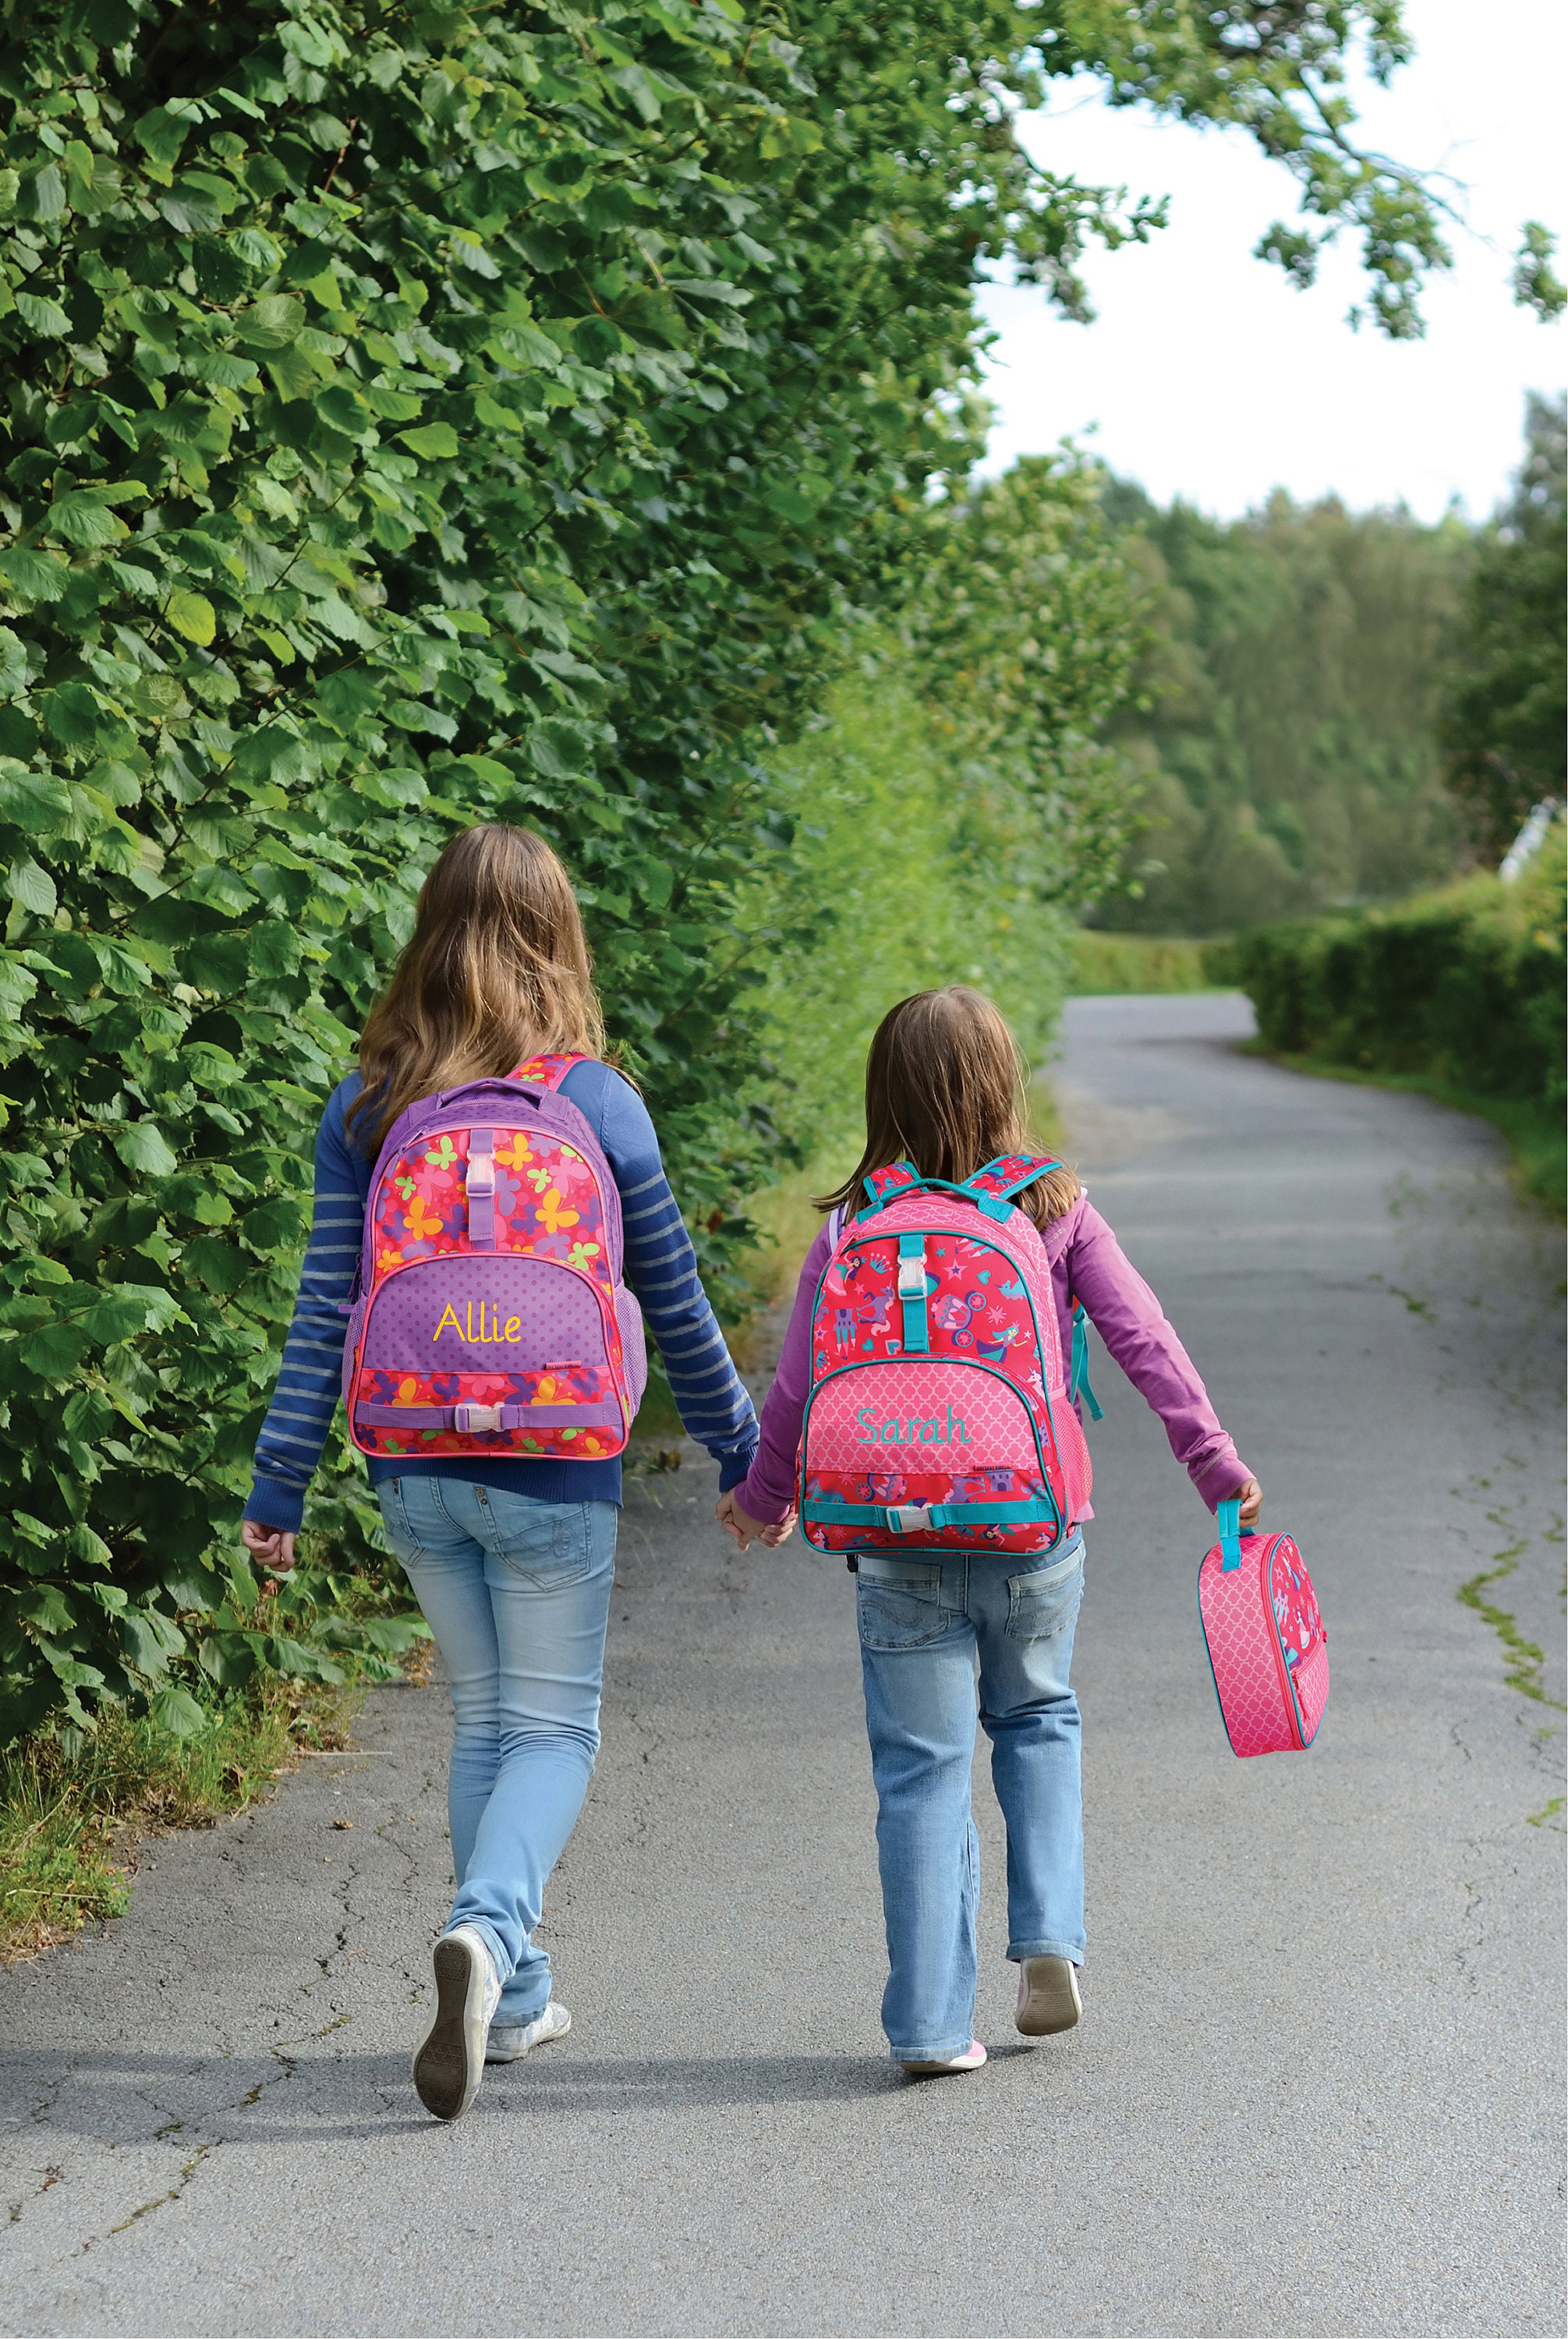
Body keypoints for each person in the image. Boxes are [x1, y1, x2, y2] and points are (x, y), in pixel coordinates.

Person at [241, 824, 758, 2120]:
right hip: (550, 1467)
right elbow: (678, 1305)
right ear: (559, 940)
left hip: (411, 1462)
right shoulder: (598, 1103)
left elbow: (323, 1315)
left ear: (428, 938)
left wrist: (277, 1486)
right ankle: (485, 1931)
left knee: (485, 1719)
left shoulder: (368, 1104)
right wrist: (751, 1460)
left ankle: (512, 2001)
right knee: (556, 1726)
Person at [716, 986, 1260, 2075]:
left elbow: (795, 1387)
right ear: (1003, 1084)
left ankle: (925, 2024)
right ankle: (1049, 1940)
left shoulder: (854, 1223)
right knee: (1040, 1718)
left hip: (895, 1538)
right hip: (1031, 1530)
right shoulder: (1053, 1204)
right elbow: (1144, 1338)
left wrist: (765, 1498)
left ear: (884, 1093)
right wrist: (1215, 1464)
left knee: (920, 1773)